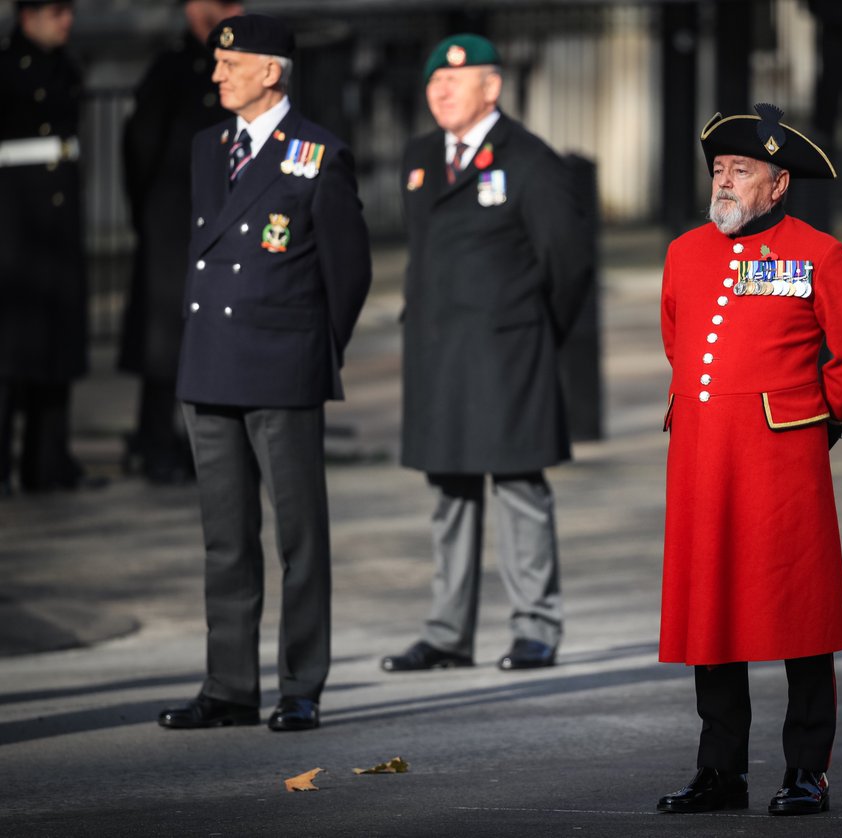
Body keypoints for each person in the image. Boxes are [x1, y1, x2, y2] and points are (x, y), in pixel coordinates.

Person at [655, 103, 842, 816]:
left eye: (741, 170)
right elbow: (677, 339)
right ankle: (720, 771)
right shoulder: (684, 252)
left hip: (782, 461)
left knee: (799, 615)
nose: (724, 182)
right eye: (719, 170)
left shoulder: (818, 253)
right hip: (702, 459)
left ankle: (806, 771)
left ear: (778, 185)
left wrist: (820, 423)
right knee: (712, 613)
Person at [157, 13, 372, 732]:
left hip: (282, 368)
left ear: (271, 70)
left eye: (231, 63)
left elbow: (349, 273)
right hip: (209, 365)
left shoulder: (319, 153)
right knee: (225, 538)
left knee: (298, 540)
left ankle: (300, 683)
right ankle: (228, 686)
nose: (216, 73)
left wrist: (311, 348)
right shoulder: (206, 147)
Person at [381, 34, 591, 674]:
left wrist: (531, 330)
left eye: (456, 79)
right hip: (440, 355)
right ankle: (447, 633)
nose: (440, 91)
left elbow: (569, 265)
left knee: (520, 486)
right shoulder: (420, 158)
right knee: (450, 491)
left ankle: (536, 627)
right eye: (433, 83)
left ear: (492, 87)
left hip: (508, 354)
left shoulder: (530, 160)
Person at [118, 0, 244, 484]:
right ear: (197, 11)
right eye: (223, 4)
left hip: (221, 224)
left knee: (212, 336)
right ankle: (155, 441)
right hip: (173, 224)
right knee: (163, 343)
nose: (235, 11)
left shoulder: (241, 67)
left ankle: (202, 444)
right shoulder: (172, 68)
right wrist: (149, 216)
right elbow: (140, 145)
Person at [0, 0, 88, 495]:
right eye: (56, 11)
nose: (66, 22)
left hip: (57, 225)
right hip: (14, 222)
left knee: (57, 342)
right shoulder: (6, 68)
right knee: (10, 354)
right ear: (27, 15)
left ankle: (48, 460)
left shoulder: (66, 66)